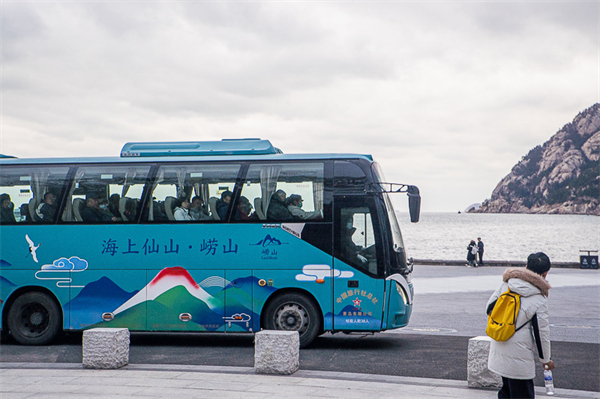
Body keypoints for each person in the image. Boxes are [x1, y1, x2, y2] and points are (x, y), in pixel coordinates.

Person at [486, 252, 555, 398]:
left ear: (526, 267)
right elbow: (541, 333)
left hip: (500, 343)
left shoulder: (506, 284)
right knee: (523, 393)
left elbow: (489, 308)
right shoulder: (539, 298)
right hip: (520, 355)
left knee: (506, 391)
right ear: (545, 273)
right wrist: (546, 360)